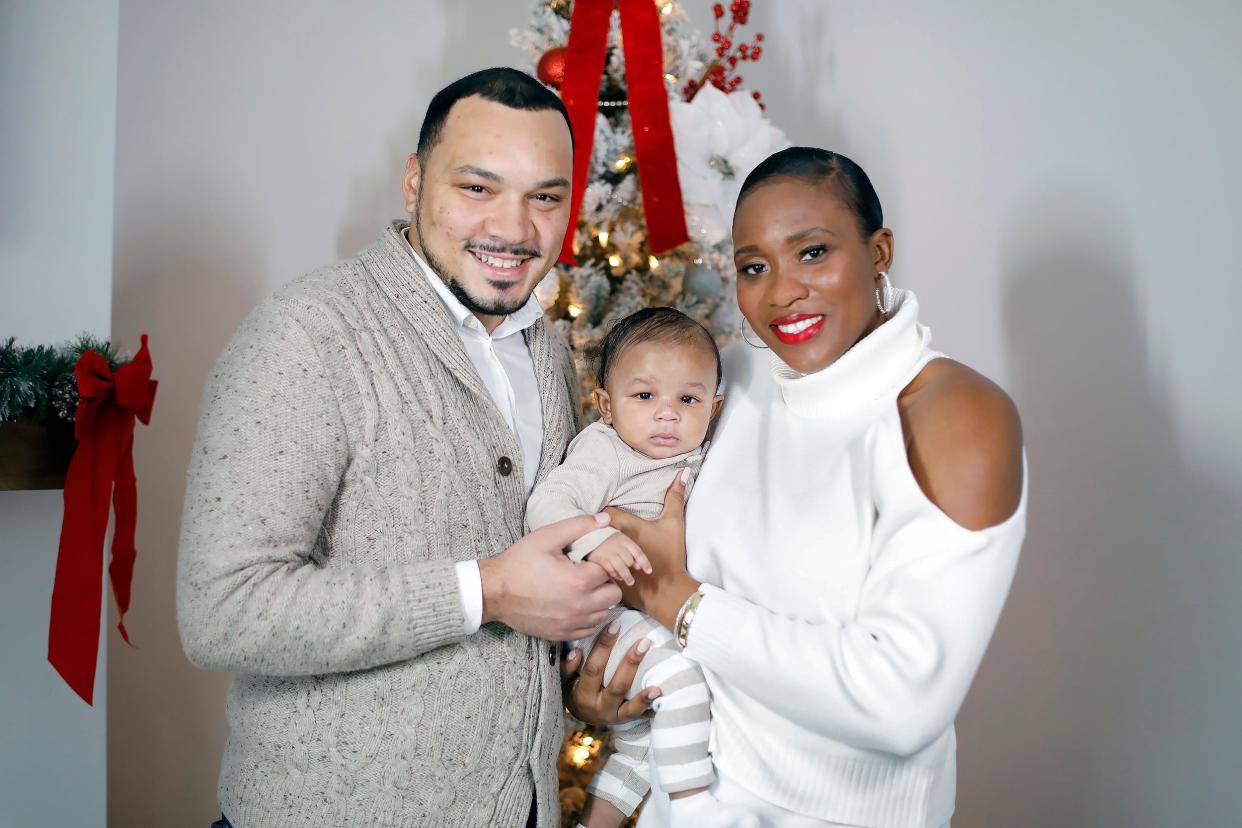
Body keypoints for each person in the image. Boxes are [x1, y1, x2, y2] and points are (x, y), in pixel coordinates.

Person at [177, 67, 653, 828]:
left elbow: (538, 583)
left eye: (545, 197)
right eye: (477, 188)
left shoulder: (548, 348)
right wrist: (486, 592)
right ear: (414, 182)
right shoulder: (307, 334)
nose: (514, 228)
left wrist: (580, 681)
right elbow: (222, 611)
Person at [586, 146, 1026, 827]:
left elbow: (901, 703)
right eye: (754, 267)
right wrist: (607, 690)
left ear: (879, 252)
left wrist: (679, 601)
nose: (781, 292)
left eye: (813, 252)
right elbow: (609, 502)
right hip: (680, 800)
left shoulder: (954, 414)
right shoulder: (728, 381)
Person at [527, 308, 756, 828]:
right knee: (683, 681)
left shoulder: (700, 456)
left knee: (641, 747)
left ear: (714, 407)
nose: (667, 415)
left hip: (652, 618)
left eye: (688, 399)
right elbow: (547, 503)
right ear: (606, 405)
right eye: (645, 396)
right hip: (599, 621)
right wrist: (596, 537)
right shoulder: (604, 450)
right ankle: (693, 807)